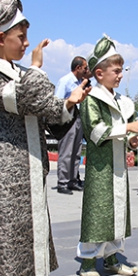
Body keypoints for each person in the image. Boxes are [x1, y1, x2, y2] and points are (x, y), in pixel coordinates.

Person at [0, 0, 90, 276]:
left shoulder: (20, 73)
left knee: (23, 230)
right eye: (19, 36)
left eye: (25, 36)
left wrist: (69, 102)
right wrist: (37, 69)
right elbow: (23, 98)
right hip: (5, 168)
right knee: (4, 232)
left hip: (30, 167)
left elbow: (49, 110)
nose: (25, 43)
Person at [76, 36, 138, 276]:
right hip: (100, 168)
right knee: (98, 212)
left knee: (117, 212)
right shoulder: (90, 99)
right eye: (116, 71)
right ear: (99, 73)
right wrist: (128, 126)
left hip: (117, 167)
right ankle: (87, 262)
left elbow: (117, 133)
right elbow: (96, 132)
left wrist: (132, 141)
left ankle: (111, 257)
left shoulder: (118, 100)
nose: (120, 75)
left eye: (120, 71)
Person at [55, 56, 91, 195]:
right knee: (66, 151)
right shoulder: (65, 81)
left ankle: (73, 180)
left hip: (79, 118)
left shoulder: (82, 82)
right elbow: (58, 101)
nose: (86, 70)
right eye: (85, 68)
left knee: (76, 152)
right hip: (68, 118)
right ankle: (62, 182)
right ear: (78, 68)